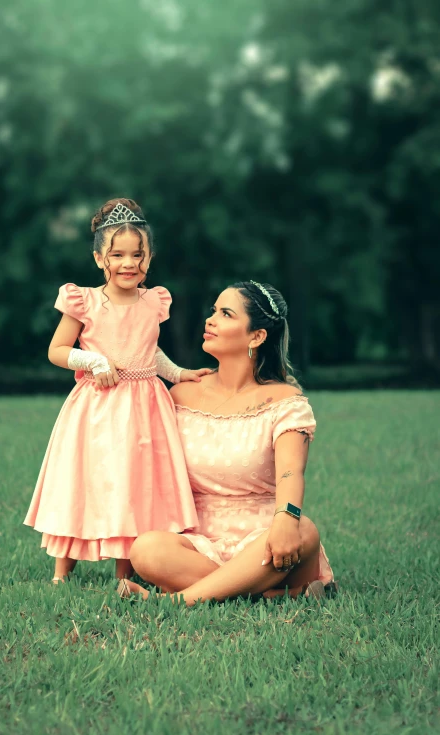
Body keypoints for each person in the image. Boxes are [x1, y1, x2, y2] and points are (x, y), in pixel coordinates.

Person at [24, 198, 210, 583]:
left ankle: (126, 570)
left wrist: (176, 373)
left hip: (145, 407)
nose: (129, 263)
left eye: (138, 254)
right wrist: (95, 362)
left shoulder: (153, 301)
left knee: (135, 483)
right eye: (118, 254)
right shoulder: (85, 301)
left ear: (149, 258)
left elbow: (149, 352)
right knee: (86, 480)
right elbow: (57, 351)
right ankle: (62, 571)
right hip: (98, 407)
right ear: (99, 259)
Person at [118, 280, 335, 604]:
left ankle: (177, 600)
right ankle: (268, 594)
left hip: (267, 541)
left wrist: (286, 521)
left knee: (304, 530)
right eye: (213, 311)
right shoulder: (182, 394)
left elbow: (291, 473)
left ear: (257, 336)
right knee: (146, 549)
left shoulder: (285, 400)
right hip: (198, 541)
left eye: (226, 313)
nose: (211, 319)